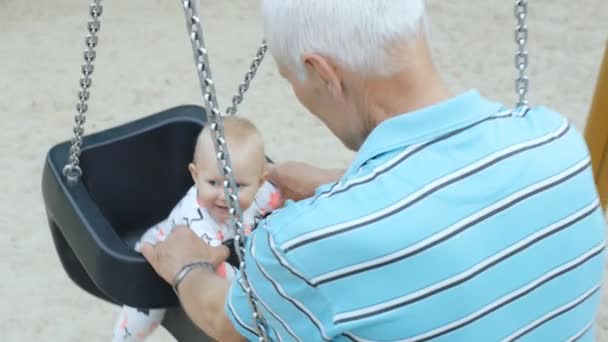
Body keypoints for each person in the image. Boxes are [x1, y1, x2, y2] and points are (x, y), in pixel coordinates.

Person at [141, 1, 607, 341]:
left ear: (323, 73)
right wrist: (340, 184)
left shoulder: (305, 241)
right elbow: (453, 205)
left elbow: (228, 323)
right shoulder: (557, 141)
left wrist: (188, 265)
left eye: (292, 82)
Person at [112, 116, 282, 341]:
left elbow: (282, 203)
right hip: (158, 255)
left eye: (238, 186)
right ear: (195, 175)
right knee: (142, 314)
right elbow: (216, 271)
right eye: (213, 183)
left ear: (260, 182)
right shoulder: (196, 220)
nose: (225, 195)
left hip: (206, 263)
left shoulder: (262, 193)